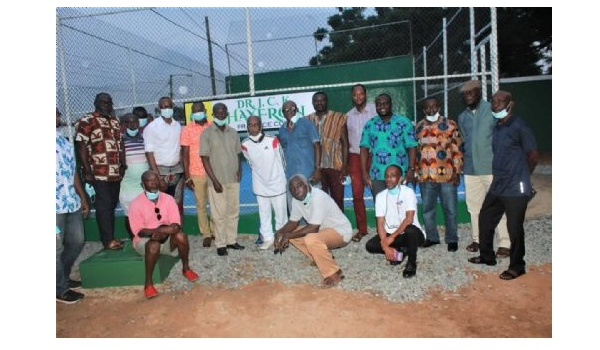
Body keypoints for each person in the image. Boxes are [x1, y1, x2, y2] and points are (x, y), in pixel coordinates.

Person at [467, 90, 539, 280]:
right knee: (485, 217)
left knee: (514, 227)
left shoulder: (519, 126)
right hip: (498, 183)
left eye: (501, 102)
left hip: (516, 186)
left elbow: (532, 155)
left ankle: (517, 266)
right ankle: (487, 256)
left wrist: (523, 176)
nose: (496, 105)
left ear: (510, 104)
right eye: (493, 101)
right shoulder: (498, 126)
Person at [457, 80, 510, 258]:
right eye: (465, 94)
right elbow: (464, 140)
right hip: (471, 169)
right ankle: (478, 240)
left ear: (479, 92)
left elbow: (504, 129)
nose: (468, 96)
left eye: (471, 92)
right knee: (474, 207)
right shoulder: (462, 117)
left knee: (497, 205)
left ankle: (504, 243)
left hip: (491, 167)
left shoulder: (491, 110)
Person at [128, 171, 200, 299]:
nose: (154, 182)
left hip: (166, 237)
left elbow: (176, 226)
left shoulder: (168, 199)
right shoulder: (135, 203)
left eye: (156, 179)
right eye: (149, 180)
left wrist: (161, 231)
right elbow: (140, 231)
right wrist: (159, 231)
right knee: (154, 245)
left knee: (181, 236)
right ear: (142, 184)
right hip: (145, 241)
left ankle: (186, 269)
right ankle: (148, 284)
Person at [273, 174, 352, 288]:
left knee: (310, 239)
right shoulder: (297, 200)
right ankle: (320, 257)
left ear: (307, 185)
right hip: (324, 231)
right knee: (291, 236)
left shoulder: (318, 197)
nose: (296, 191)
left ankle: (334, 273)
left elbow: (314, 227)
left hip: (341, 232)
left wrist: (288, 235)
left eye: (299, 186)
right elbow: (293, 223)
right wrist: (279, 233)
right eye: (292, 189)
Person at [75, 92, 125, 250]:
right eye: (103, 102)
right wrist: (87, 170)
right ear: (96, 103)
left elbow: (119, 144)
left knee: (111, 204)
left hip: (115, 173)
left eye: (109, 103)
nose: (107, 105)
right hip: (98, 172)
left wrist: (122, 164)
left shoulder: (115, 121)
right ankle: (108, 240)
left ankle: (110, 237)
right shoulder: (87, 120)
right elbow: (81, 145)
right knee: (103, 206)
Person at [414, 97, 463, 252]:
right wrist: (416, 172)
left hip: (447, 175)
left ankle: (452, 238)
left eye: (434, 107)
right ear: (423, 110)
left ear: (439, 107)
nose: (431, 110)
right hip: (426, 176)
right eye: (427, 108)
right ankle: (432, 237)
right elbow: (416, 152)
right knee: (428, 209)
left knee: (450, 208)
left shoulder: (450, 125)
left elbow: (457, 149)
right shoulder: (418, 127)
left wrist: (457, 171)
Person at [365, 165, 425, 278]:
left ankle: (411, 263)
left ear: (400, 178)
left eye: (393, 176)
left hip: (411, 234)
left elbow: (409, 219)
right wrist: (385, 246)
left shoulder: (408, 192)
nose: (388, 179)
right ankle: (400, 252)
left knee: (410, 230)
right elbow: (380, 223)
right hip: (393, 234)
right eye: (387, 176)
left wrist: (391, 238)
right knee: (370, 246)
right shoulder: (380, 196)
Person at [200, 103, 244, 256]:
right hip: (216, 181)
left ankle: (231, 241)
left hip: (233, 178)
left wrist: (240, 170)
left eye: (223, 112)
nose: (220, 114)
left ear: (227, 114)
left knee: (233, 211)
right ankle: (220, 244)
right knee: (219, 214)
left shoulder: (233, 132)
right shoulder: (206, 134)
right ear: (213, 114)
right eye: (217, 112)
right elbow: (204, 159)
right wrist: (214, 180)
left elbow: (238, 154)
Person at [359, 93, 418, 206]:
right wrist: (364, 173)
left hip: (399, 174)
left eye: (386, 103)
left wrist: (411, 168)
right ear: (375, 106)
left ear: (391, 105)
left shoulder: (404, 122)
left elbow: (412, 146)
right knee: (381, 207)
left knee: (399, 207)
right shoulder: (369, 125)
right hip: (377, 174)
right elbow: (363, 149)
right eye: (379, 104)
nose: (382, 106)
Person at [56, 107, 90, 304]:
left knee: (77, 241)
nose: (57, 117)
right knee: (55, 249)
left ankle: (62, 278)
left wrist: (83, 197)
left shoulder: (63, 141)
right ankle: (60, 289)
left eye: (57, 114)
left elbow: (73, 171)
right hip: (54, 206)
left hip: (70, 201)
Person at [241, 116, 288, 250]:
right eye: (250, 125)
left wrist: (278, 178)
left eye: (256, 124)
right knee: (264, 213)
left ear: (261, 126)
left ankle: (281, 238)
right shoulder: (245, 144)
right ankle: (268, 238)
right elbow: (250, 162)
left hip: (277, 183)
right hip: (260, 185)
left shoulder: (272, 140)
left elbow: (282, 161)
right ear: (247, 127)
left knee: (281, 214)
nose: (253, 127)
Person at [306, 91, 349, 212]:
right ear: (313, 103)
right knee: (320, 199)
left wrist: (345, 166)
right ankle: (325, 227)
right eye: (316, 101)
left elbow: (345, 143)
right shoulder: (307, 120)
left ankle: (340, 227)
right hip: (316, 168)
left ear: (326, 101)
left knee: (338, 199)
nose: (319, 103)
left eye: (322, 100)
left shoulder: (338, 118)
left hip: (335, 166)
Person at [143, 96, 184, 218]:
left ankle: (177, 233)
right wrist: (158, 177)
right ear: (159, 109)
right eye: (164, 107)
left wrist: (184, 170)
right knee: (160, 206)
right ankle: (162, 233)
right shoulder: (152, 127)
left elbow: (180, 149)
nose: (167, 109)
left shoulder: (177, 126)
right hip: (160, 171)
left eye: (170, 106)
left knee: (177, 204)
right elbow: (149, 153)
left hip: (177, 171)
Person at [346, 84, 377, 243]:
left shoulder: (375, 110)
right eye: (355, 95)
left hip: (374, 156)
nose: (358, 97)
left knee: (377, 192)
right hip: (355, 157)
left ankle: (383, 229)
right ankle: (362, 229)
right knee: (357, 194)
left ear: (366, 94)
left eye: (361, 94)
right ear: (352, 97)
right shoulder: (348, 116)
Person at [180, 101, 213, 248]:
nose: (197, 112)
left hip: (213, 172)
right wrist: (187, 176)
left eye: (200, 110)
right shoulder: (187, 129)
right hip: (196, 172)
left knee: (215, 203)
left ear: (205, 111)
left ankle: (215, 231)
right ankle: (206, 234)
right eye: (194, 110)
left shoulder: (213, 126)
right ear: (191, 113)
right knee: (201, 204)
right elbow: (185, 154)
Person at [277, 100, 321, 209]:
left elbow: (317, 146)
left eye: (293, 108)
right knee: (294, 208)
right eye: (286, 110)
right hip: (290, 175)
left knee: (313, 206)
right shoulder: (282, 130)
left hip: (308, 173)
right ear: (283, 113)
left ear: (297, 110)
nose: (290, 112)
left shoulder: (306, 124)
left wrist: (317, 169)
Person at [119, 113, 149, 239]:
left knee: (146, 213)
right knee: (129, 215)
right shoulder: (119, 141)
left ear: (139, 123)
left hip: (144, 186)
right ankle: (134, 239)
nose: (132, 125)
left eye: (135, 122)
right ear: (124, 125)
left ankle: (147, 238)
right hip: (127, 186)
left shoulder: (145, 138)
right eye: (129, 122)